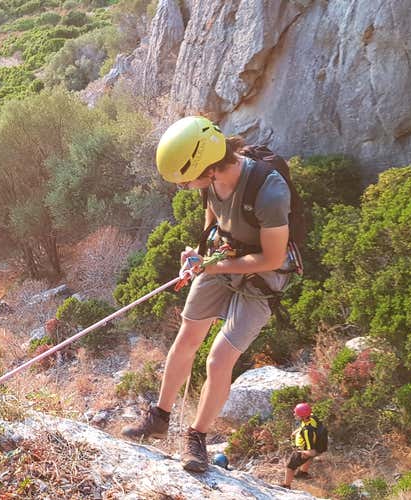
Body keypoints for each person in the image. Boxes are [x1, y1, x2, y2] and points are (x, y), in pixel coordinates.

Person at [120, 116, 295, 473]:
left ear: (210, 168)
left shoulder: (269, 191)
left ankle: (196, 437)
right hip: (222, 256)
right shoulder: (210, 179)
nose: (184, 187)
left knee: (218, 360)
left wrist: (212, 268)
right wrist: (199, 254)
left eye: (186, 181)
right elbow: (213, 218)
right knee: (187, 336)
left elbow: (273, 258)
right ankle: (159, 418)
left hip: (264, 275)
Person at [282, 402, 323, 488]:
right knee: (308, 459)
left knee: (290, 467)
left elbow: (310, 450)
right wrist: (297, 431)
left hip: (302, 449)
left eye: (296, 414)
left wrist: (302, 452)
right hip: (313, 444)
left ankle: (286, 485)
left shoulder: (307, 432)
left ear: (302, 416)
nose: (294, 414)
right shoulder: (311, 418)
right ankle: (303, 473)